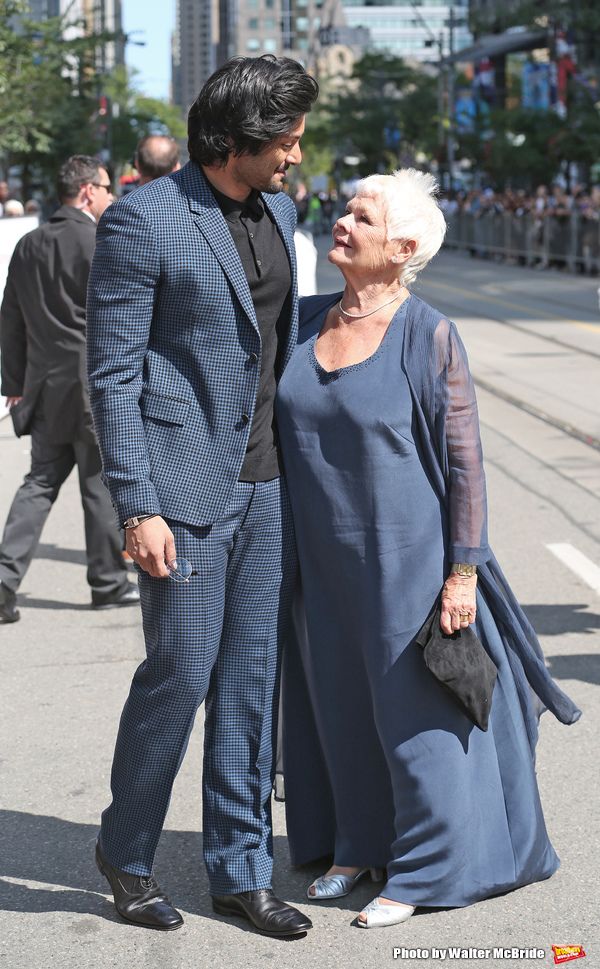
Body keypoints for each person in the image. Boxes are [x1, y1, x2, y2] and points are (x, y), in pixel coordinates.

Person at [275, 169, 581, 929]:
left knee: (415, 722)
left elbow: (466, 461)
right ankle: (354, 846)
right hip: (317, 558)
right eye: (346, 209)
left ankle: (424, 865)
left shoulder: (428, 332)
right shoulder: (305, 320)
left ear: (403, 247)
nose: (342, 220)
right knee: (336, 708)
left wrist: (463, 571)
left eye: (362, 216)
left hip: (406, 560)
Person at [86, 55, 319, 936]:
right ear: (233, 143)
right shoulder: (146, 219)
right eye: (284, 142)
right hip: (179, 494)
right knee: (179, 676)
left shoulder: (283, 211)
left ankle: (240, 868)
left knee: (250, 682)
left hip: (268, 488)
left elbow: (278, 344)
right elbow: (111, 374)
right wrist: (136, 504)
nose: (295, 156)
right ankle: (128, 849)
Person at [0, 155, 138, 625]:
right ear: (85, 192)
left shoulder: (28, 245)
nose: (109, 196)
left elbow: (11, 319)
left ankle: (3, 583)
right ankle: (107, 582)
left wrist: (14, 382)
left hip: (44, 387)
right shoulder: (100, 241)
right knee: (100, 486)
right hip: (94, 389)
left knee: (38, 485)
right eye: (104, 187)